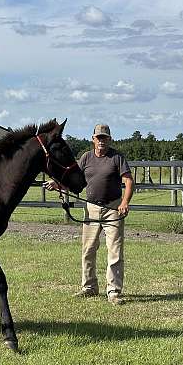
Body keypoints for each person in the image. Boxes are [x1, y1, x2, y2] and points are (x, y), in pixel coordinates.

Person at [45, 123, 134, 304]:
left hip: (113, 209)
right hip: (91, 208)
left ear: (109, 139)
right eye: (98, 137)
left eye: (105, 138)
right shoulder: (86, 158)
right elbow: (75, 179)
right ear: (93, 139)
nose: (102, 141)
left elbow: (128, 181)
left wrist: (125, 202)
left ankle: (114, 291)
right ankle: (89, 287)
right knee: (88, 249)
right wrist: (58, 184)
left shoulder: (117, 158)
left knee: (115, 251)